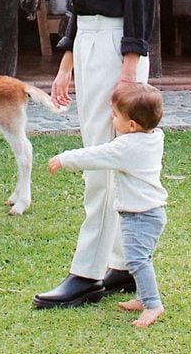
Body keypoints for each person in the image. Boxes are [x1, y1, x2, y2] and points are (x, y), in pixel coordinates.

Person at [32, 0, 164, 310]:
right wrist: (66, 65)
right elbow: (76, 9)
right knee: (108, 160)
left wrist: (128, 75)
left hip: (117, 53)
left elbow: (140, 13)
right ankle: (125, 266)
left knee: (102, 161)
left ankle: (86, 274)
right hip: (87, 47)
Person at [47, 82, 168, 327]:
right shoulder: (154, 137)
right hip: (150, 212)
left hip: (140, 215)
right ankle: (143, 297)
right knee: (140, 257)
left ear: (132, 126)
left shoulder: (127, 147)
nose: (112, 120)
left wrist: (64, 159)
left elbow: (95, 155)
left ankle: (153, 304)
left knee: (137, 260)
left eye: (115, 116)